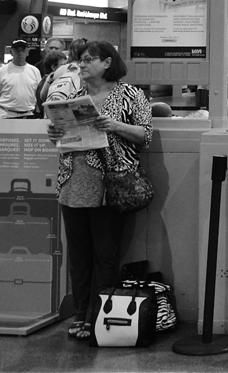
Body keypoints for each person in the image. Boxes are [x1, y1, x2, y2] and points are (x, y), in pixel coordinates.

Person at [44, 41, 151, 342]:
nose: (82, 64)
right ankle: (80, 314)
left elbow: (145, 135)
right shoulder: (74, 97)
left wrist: (114, 125)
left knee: (105, 256)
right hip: (73, 184)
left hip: (109, 186)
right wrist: (54, 134)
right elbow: (63, 140)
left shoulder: (131, 94)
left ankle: (99, 317)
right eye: (80, 59)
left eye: (89, 59)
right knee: (79, 257)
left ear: (107, 63)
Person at [0, 39, 42, 118]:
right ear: (11, 52)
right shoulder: (2, 71)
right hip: (6, 115)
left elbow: (39, 94)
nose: (20, 53)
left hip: (29, 115)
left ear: (27, 52)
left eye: (23, 50)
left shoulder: (34, 71)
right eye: (17, 50)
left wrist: (37, 112)